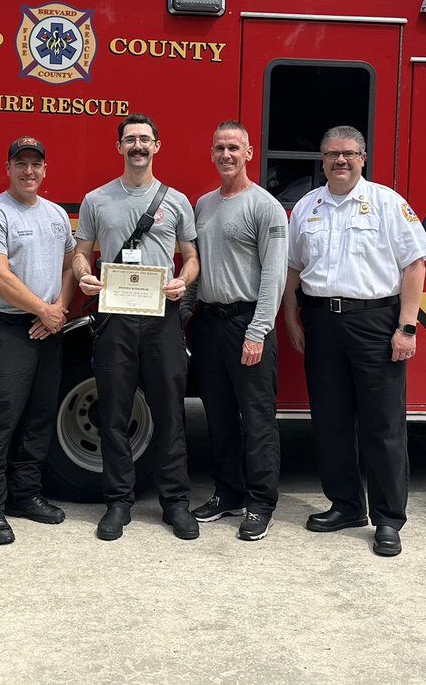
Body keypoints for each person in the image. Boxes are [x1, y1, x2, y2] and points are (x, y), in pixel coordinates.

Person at [281, 125, 426, 557]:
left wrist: (406, 328)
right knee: (330, 421)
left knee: (382, 425)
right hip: (321, 323)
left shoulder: (387, 203)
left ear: (363, 158)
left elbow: (415, 266)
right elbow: (293, 270)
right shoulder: (307, 206)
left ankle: (388, 520)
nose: (340, 161)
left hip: (375, 323)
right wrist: (292, 318)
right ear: (322, 160)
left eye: (348, 153)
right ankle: (345, 505)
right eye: (331, 154)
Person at [72, 113, 200, 541]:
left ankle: (175, 503)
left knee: (169, 412)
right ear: (119, 147)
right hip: (115, 317)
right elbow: (80, 252)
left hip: (161, 317)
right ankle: (118, 503)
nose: (138, 146)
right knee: (114, 412)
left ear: (157, 146)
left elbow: (192, 255)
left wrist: (185, 279)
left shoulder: (177, 201)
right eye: (130, 140)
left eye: (145, 139)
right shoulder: (96, 199)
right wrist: (84, 273)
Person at [0, 137, 75, 546]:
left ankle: (25, 495)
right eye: (21, 164)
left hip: (47, 327)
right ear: (7, 168)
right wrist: (42, 310)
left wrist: (59, 308)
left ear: (45, 170)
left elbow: (69, 265)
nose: (29, 171)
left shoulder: (56, 215)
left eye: (36, 164)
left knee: (40, 415)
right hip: (6, 327)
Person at [184, 122, 288, 541]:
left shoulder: (265, 207)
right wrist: (184, 315)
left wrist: (258, 331)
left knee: (258, 418)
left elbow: (274, 275)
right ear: (211, 154)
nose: (226, 155)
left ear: (248, 153)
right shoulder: (204, 204)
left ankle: (260, 503)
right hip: (209, 324)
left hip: (248, 322)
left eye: (234, 148)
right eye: (219, 148)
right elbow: (197, 269)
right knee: (219, 414)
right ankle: (227, 494)